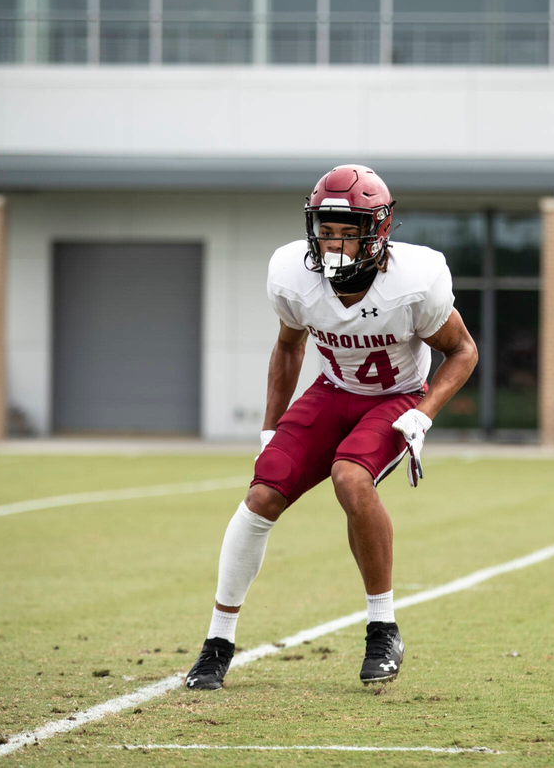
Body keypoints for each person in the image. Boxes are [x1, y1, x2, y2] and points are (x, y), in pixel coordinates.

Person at [185, 164, 479, 690]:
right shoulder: (294, 277)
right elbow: (289, 346)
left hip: (394, 398)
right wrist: (270, 429)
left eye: (348, 232)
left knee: (351, 476)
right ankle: (217, 642)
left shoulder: (415, 281)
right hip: (332, 394)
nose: (335, 243)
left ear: (378, 231)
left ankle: (382, 627)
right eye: (326, 230)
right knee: (261, 494)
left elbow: (463, 351)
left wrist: (424, 412)